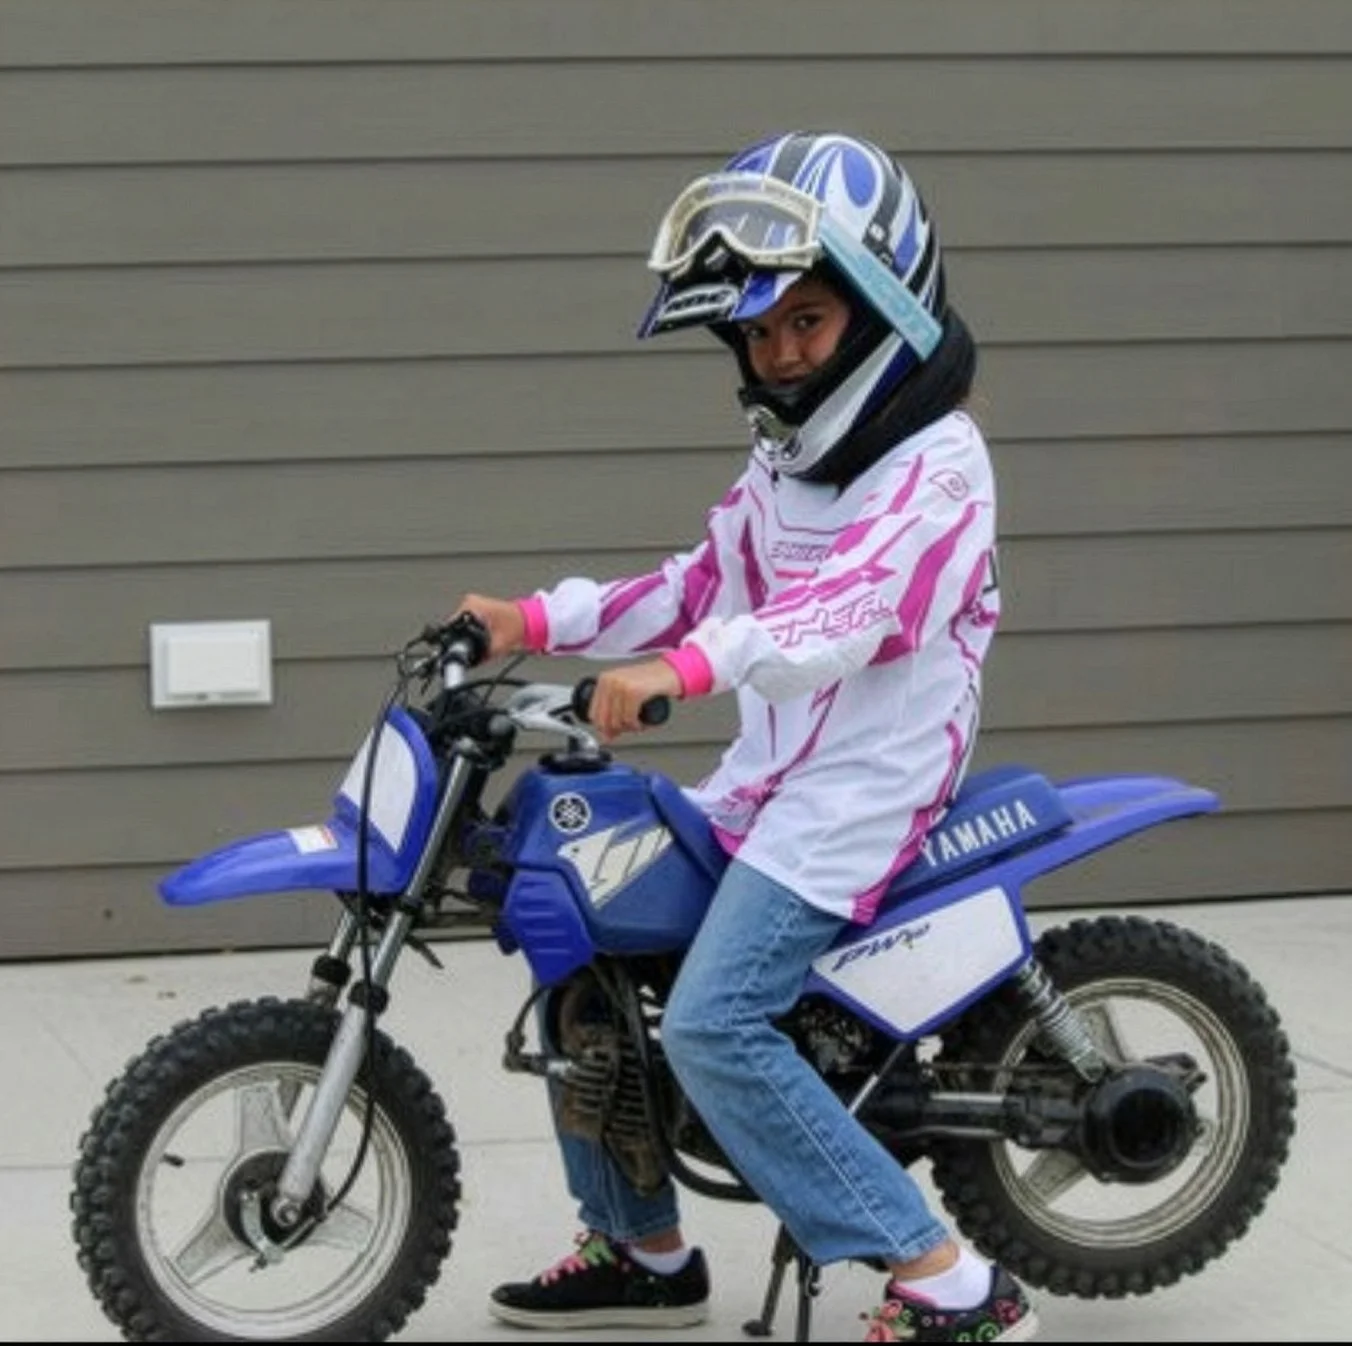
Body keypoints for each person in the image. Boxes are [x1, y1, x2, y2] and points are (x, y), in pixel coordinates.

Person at [454, 130, 1037, 1343]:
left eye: (807, 325)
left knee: (715, 1020)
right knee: (585, 970)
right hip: (769, 778)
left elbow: (839, 615)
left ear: (883, 309)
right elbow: (700, 581)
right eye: (760, 333)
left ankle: (950, 1284)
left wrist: (681, 670)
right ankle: (645, 1249)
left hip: (860, 794)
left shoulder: (938, 468)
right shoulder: (787, 461)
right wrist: (533, 617)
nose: (779, 356)